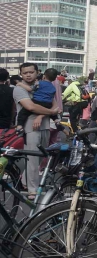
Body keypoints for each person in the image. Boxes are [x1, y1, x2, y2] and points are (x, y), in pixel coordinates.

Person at [13, 63, 58, 199]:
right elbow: (31, 107)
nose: (28, 75)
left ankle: (25, 180)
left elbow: (54, 103)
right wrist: (50, 112)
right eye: (25, 72)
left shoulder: (44, 85)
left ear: (37, 72)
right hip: (29, 127)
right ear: (21, 74)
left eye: (31, 72)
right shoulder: (19, 89)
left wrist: (43, 114)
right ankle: (32, 190)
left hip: (45, 125)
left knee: (40, 158)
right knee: (32, 159)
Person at [15, 68, 60, 134]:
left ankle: (19, 126)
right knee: (51, 111)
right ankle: (56, 120)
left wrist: (20, 84)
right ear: (54, 79)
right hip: (48, 103)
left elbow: (30, 89)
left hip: (37, 101)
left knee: (23, 113)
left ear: (44, 76)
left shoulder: (39, 83)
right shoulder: (53, 87)